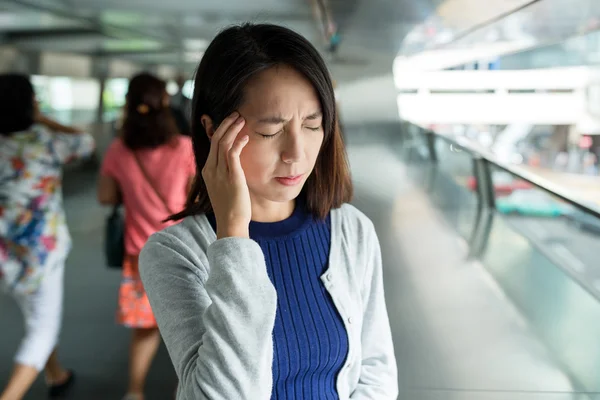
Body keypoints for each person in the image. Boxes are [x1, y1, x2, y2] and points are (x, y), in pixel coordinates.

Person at [139, 23, 398, 400]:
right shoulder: (175, 253)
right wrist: (232, 236)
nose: (297, 153)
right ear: (213, 131)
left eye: (313, 124)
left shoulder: (351, 231)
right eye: (269, 132)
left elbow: (376, 369)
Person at [97, 72, 195, 400]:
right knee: (192, 325)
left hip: (141, 253)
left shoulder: (118, 150)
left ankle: (134, 392)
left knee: (146, 328)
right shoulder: (184, 148)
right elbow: (198, 196)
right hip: (185, 249)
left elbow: (106, 197)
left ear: (128, 105)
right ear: (164, 102)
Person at [0, 74, 95, 400]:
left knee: (36, 315)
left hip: (4, 252)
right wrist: (41, 118)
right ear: (30, 104)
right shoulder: (45, 140)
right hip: (41, 252)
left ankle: (56, 375)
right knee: (42, 328)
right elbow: (86, 142)